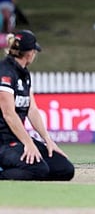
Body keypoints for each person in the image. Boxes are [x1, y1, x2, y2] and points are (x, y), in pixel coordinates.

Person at [0, 30, 75, 180]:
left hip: (18, 140)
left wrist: (48, 140)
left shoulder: (24, 73)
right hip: (3, 142)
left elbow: (32, 110)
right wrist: (28, 142)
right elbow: (9, 114)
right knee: (38, 170)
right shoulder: (5, 72)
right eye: (34, 51)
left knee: (64, 169)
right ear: (29, 54)